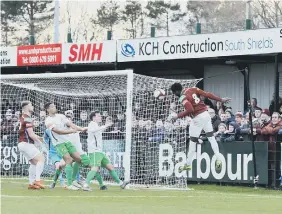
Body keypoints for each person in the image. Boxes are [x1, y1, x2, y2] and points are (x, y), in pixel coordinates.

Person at [170, 83, 231, 172]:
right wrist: (221, 99)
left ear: (176, 91)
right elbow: (207, 94)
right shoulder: (193, 89)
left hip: (198, 118)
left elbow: (190, 110)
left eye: (174, 93)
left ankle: (188, 165)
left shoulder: (182, 97)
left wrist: (177, 116)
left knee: (193, 141)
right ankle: (218, 159)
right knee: (211, 137)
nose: (175, 95)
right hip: (206, 115)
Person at [44, 102, 88, 190]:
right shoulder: (48, 121)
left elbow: (71, 124)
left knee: (78, 159)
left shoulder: (61, 116)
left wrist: (81, 129)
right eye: (52, 107)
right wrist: (72, 131)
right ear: (48, 109)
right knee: (68, 160)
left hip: (67, 142)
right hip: (58, 144)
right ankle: (70, 184)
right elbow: (58, 131)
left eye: (54, 106)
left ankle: (73, 181)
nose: (54, 107)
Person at [82, 111, 130, 191]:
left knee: (110, 167)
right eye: (99, 116)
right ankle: (86, 185)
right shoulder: (92, 124)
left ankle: (121, 184)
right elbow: (93, 130)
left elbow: (97, 131)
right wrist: (105, 125)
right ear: (94, 117)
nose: (100, 117)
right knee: (95, 168)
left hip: (99, 151)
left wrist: (106, 127)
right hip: (94, 151)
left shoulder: (96, 125)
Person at [18, 101, 45, 189]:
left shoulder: (22, 117)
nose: (33, 106)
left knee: (34, 163)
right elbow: (31, 134)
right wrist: (40, 143)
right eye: (31, 105)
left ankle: (31, 183)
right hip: (27, 143)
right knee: (41, 159)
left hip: (22, 144)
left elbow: (30, 133)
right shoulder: (27, 118)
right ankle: (37, 180)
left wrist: (39, 138)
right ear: (26, 107)